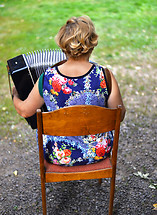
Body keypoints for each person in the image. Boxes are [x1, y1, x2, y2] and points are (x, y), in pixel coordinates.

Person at [13, 16, 126, 167]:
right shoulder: (104, 75)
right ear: (92, 44)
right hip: (98, 152)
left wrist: (15, 96)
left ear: (63, 45)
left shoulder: (48, 78)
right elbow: (119, 115)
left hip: (58, 154)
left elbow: (26, 111)